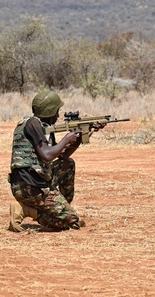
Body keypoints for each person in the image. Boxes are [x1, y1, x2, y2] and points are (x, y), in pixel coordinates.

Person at [7, 89, 105, 232]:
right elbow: (47, 155)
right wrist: (66, 138)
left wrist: (78, 137)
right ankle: (26, 210)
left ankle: (61, 207)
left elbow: (62, 156)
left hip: (37, 180)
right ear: (50, 110)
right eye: (56, 111)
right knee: (72, 223)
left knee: (67, 164)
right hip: (29, 186)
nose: (58, 115)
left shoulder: (42, 127)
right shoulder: (32, 124)